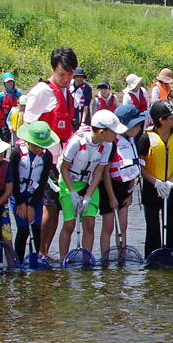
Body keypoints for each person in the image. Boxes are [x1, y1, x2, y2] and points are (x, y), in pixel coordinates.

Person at [22, 47, 81, 248]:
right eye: (61, 74)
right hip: (45, 159)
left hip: (62, 160)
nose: (65, 79)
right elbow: (27, 125)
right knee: (49, 206)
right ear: (52, 69)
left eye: (70, 74)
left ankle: (46, 251)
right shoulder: (41, 91)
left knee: (56, 207)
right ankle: (40, 252)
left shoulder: (68, 91)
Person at [56, 108, 120, 260]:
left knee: (90, 223)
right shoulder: (77, 141)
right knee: (70, 224)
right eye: (113, 132)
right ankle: (63, 260)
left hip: (89, 184)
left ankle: (87, 261)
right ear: (101, 132)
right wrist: (72, 193)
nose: (116, 135)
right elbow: (63, 168)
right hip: (69, 183)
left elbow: (98, 172)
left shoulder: (108, 145)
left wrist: (88, 197)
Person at [140, 100, 173, 255]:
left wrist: (169, 182)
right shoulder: (146, 137)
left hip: (171, 187)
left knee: (172, 224)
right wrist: (157, 183)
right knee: (153, 226)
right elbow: (140, 165)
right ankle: (152, 258)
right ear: (162, 120)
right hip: (151, 187)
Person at [9, 121, 55, 258]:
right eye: (35, 145)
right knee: (23, 230)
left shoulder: (47, 156)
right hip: (18, 197)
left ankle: (37, 258)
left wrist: (32, 206)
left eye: (41, 146)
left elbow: (42, 183)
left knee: (36, 228)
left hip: (35, 197)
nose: (38, 149)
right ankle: (19, 262)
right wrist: (20, 204)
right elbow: (13, 180)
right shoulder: (17, 153)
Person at [105, 101, 145, 256]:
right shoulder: (112, 143)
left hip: (125, 189)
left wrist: (130, 193)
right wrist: (111, 197)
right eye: (135, 126)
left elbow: (132, 169)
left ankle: (122, 255)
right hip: (110, 188)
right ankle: (106, 259)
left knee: (123, 225)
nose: (139, 129)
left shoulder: (131, 141)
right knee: (108, 226)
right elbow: (105, 171)